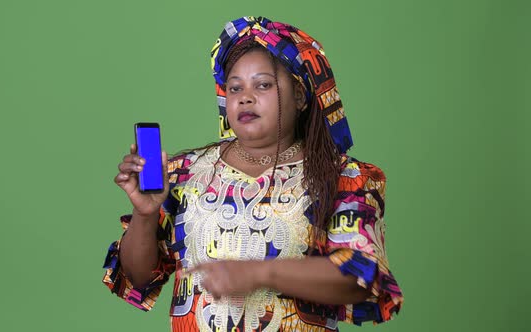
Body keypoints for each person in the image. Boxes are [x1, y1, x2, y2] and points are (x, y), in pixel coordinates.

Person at [102, 16, 403, 332]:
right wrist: (145, 214)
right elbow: (139, 277)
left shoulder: (344, 178)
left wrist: (260, 274)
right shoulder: (183, 173)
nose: (245, 97)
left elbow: (359, 277)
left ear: (300, 96)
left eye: (263, 84)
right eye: (235, 88)